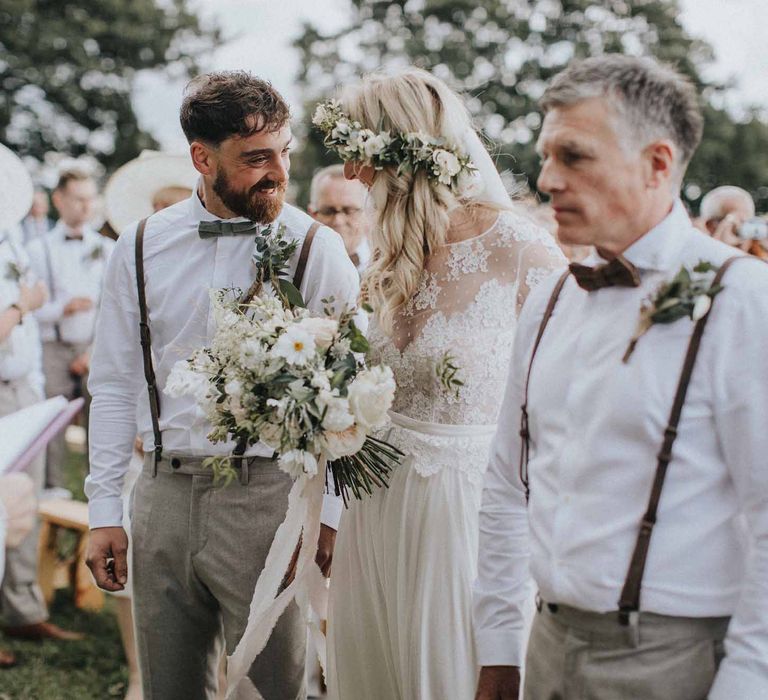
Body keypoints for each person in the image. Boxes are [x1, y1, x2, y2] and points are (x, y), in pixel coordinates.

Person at [473, 54, 768, 700]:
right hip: (544, 643)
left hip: (672, 661)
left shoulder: (742, 299)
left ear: (657, 164)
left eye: (573, 156)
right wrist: (498, 645)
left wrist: (747, 682)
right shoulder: (549, 298)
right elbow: (505, 481)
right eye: (546, 154)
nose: (547, 178)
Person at [84, 70, 359, 699]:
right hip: (161, 493)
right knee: (169, 689)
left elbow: (352, 395)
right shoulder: (136, 248)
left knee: (276, 686)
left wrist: (332, 518)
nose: (278, 172)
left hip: (271, 499)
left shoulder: (316, 249)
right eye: (255, 159)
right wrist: (104, 510)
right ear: (201, 158)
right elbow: (115, 384)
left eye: (283, 152)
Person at [321, 68, 564, 699]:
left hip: (464, 512)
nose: (350, 175)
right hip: (373, 501)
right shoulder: (385, 252)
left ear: (397, 151)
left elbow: (566, 407)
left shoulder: (520, 250)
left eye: (356, 155)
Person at [0, 143, 82, 658]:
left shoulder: (11, 240)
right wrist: (21, 305)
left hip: (20, 385)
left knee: (22, 502)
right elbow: (21, 310)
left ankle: (23, 610)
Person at [27, 170, 114, 490]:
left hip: (94, 348)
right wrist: (62, 308)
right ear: (59, 200)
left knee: (102, 424)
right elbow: (29, 311)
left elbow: (111, 307)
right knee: (51, 428)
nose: (85, 206)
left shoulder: (106, 249)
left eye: (90, 198)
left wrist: (92, 352)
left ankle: (101, 494)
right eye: (78, 198)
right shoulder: (38, 250)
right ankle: (53, 493)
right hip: (52, 348)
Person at [308, 164, 371, 273]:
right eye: (328, 211)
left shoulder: (389, 267)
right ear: (312, 214)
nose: (338, 221)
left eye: (349, 210)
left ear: (367, 213)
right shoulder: (298, 267)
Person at [699, 185, 768, 259]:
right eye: (736, 221)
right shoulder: (699, 255)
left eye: (748, 222)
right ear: (710, 225)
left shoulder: (759, 258)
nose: (742, 228)